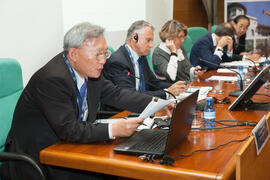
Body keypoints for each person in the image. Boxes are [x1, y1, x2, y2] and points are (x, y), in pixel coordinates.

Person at [0, 22, 173, 180]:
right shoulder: (52, 79)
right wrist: (114, 129)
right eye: (98, 55)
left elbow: (117, 94)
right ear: (74, 54)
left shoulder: (90, 71)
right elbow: (69, 129)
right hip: (39, 157)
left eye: (105, 53)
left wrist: (156, 102)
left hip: (69, 147)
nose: (103, 61)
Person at [103, 20, 188, 100]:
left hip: (141, 104)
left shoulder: (141, 56)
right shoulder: (117, 62)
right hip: (121, 112)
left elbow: (154, 83)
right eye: (148, 40)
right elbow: (130, 96)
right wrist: (167, 93)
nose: (151, 45)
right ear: (134, 38)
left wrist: (177, 86)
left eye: (152, 41)